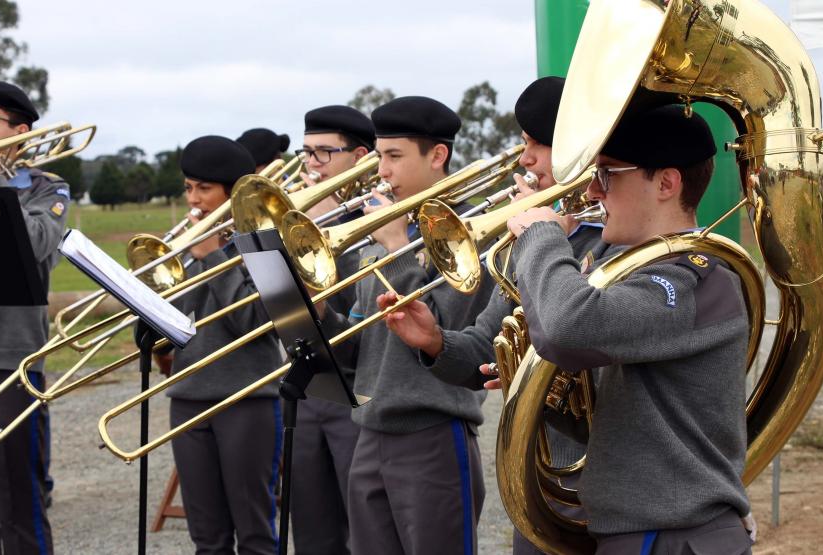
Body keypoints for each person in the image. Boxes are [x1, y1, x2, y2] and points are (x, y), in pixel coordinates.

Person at [376, 77, 611, 555]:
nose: (524, 160)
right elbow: (484, 348)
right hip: (539, 484)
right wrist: (436, 342)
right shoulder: (525, 246)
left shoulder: (614, 244)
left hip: (609, 486)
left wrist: (549, 242)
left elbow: (583, 340)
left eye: (537, 145)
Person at [502, 105, 753, 554]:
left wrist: (541, 236)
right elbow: (624, 424)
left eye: (609, 175)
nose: (594, 192)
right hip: (642, 531)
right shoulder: (638, 276)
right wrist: (550, 396)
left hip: (673, 538)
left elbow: (567, 328)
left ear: (666, 183)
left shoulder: (691, 279)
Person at [317, 96, 494, 555]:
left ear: (438, 156)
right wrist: (313, 310)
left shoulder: (471, 229)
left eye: (394, 157)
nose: (382, 171)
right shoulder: (379, 232)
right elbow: (360, 349)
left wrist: (397, 246)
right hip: (370, 428)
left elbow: (447, 332)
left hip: (432, 429)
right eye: (379, 156)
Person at [164, 135, 284, 554]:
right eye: (188, 187)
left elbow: (255, 322)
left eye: (204, 189)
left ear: (230, 194)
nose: (193, 200)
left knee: (254, 532)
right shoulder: (184, 246)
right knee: (206, 536)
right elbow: (171, 326)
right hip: (188, 398)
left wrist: (213, 256)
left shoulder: (266, 242)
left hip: (248, 399)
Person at [0, 80, 68, 555]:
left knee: (19, 509)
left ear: (20, 131)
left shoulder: (45, 189)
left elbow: (34, 247)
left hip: (7, 364)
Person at [288, 105, 374, 555]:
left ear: (359, 157)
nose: (312, 165)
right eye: (307, 153)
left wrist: (327, 226)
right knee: (313, 531)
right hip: (309, 387)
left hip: (356, 390)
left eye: (325, 153)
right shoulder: (297, 219)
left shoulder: (378, 218)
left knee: (363, 527)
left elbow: (359, 308)